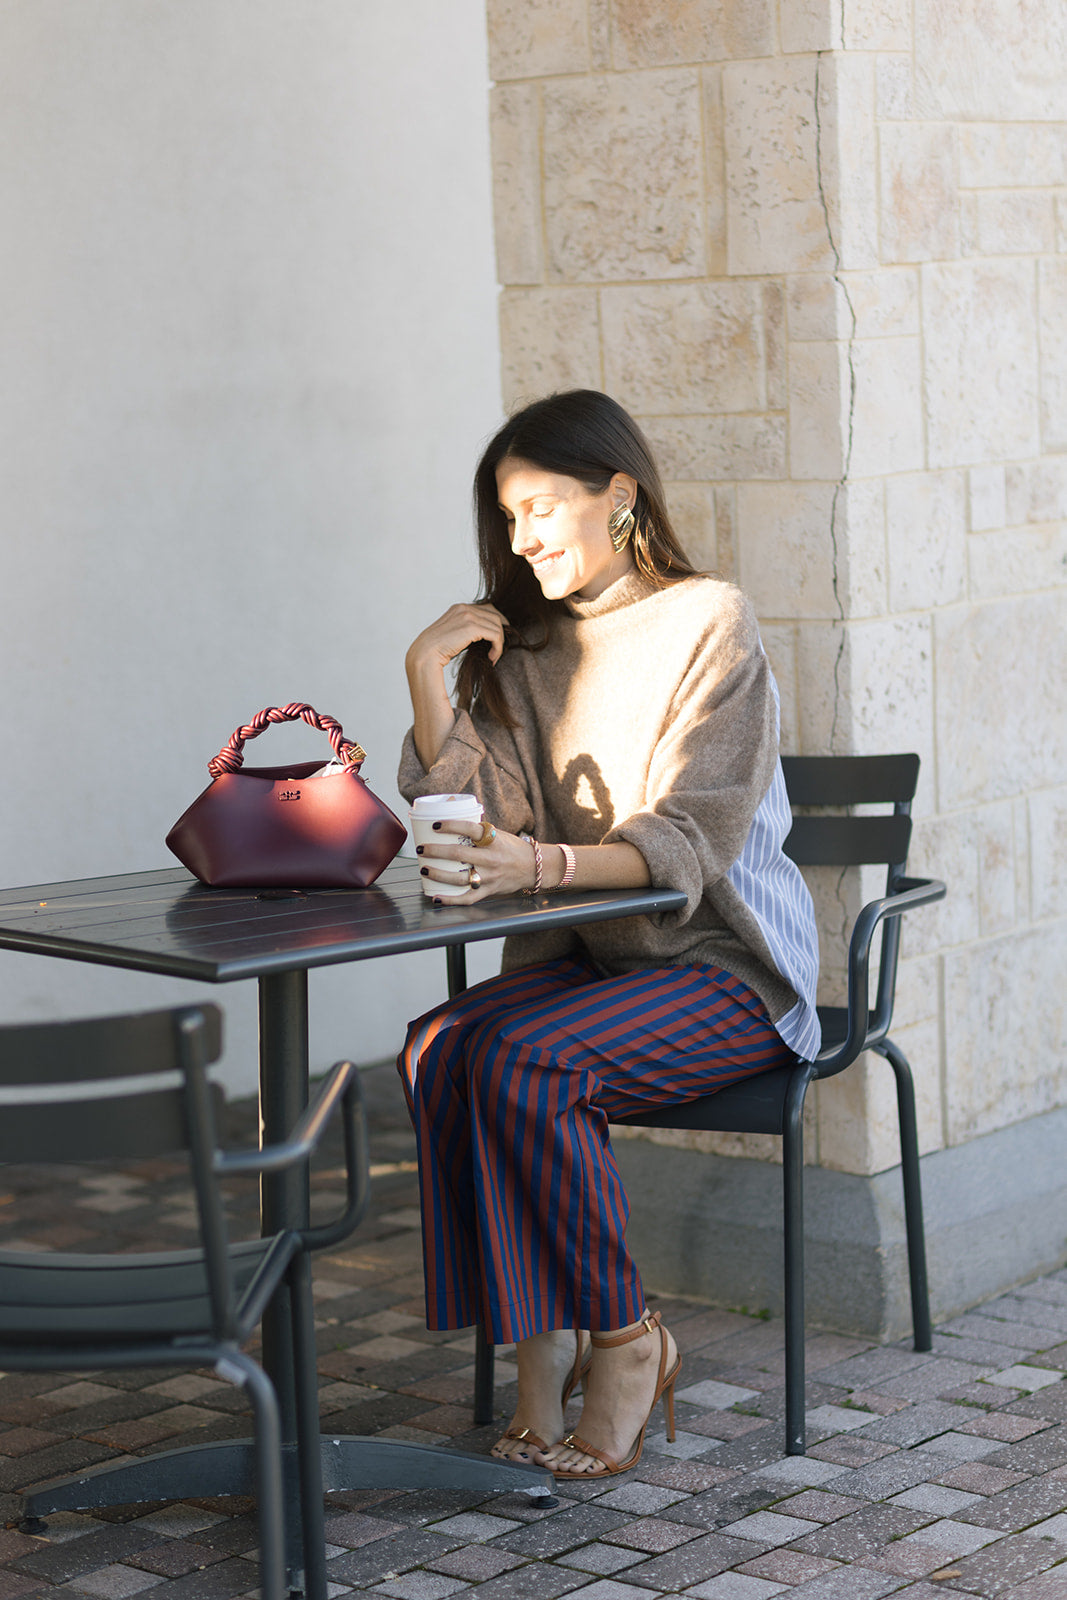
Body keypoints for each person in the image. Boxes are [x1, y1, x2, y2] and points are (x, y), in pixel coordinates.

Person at [396, 389, 820, 1480]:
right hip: (598, 964)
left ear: (617, 493)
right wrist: (426, 680)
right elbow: (468, 813)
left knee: (527, 1061)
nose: (521, 536)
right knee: (437, 1048)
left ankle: (629, 1341)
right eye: (507, 516)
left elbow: (694, 831)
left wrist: (535, 865)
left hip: (727, 972)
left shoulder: (707, 619)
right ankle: (542, 1336)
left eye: (541, 506)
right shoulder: (525, 645)